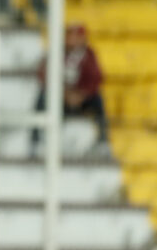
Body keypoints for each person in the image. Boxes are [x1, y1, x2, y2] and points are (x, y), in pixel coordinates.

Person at [31, 23, 109, 158]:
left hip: (82, 99)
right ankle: (36, 141)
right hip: (61, 99)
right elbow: (43, 74)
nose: (72, 40)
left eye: (76, 36)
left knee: (98, 100)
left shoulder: (89, 55)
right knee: (42, 98)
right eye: (69, 36)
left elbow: (96, 78)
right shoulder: (56, 53)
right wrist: (64, 93)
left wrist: (82, 94)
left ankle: (103, 141)